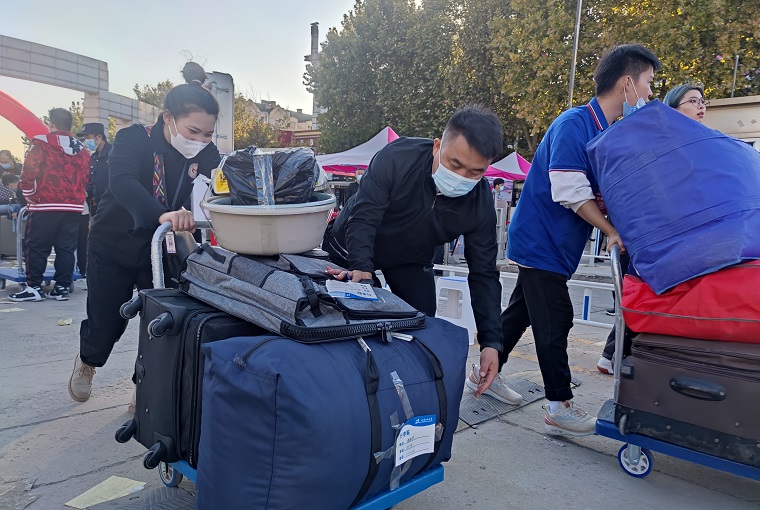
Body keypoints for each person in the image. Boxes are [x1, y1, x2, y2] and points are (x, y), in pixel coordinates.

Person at [487, 44, 661, 436]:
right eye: (648, 83)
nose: (650, 94)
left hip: (558, 245)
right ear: (627, 83)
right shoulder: (574, 124)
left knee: (521, 313)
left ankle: (485, 372)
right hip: (540, 241)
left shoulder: (607, 132)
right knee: (556, 318)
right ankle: (559, 405)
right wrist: (610, 231)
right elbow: (570, 191)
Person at [323, 105, 524, 406]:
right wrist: (361, 267)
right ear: (437, 146)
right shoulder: (398, 157)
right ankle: (344, 398)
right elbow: (364, 216)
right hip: (351, 248)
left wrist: (491, 342)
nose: (461, 177)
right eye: (455, 164)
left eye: (475, 172)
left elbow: (483, 273)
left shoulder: (479, 202)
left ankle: (405, 397)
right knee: (345, 324)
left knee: (421, 327)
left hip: (411, 258)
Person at [69, 62, 221, 407]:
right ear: (168, 118)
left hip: (163, 247)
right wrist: (160, 213)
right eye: (193, 131)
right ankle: (88, 360)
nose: (199, 141)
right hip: (113, 242)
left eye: (208, 134)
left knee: (163, 320)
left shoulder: (206, 153)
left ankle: (146, 385)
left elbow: (224, 186)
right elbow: (122, 181)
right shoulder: (133, 138)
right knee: (107, 320)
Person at [597, 81, 708, 372]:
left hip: (676, 240)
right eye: (693, 101)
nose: (700, 106)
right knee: (639, 297)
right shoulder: (654, 143)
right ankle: (618, 358)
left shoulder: (701, 146)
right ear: (673, 108)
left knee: (651, 300)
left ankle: (617, 356)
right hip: (644, 237)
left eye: (702, 101)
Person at [9, 108, 90, 302]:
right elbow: (86, 176)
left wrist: (29, 196)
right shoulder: (82, 149)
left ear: (52, 123)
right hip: (73, 206)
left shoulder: (41, 142)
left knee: (36, 246)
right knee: (66, 248)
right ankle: (61, 287)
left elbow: (29, 172)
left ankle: (34, 287)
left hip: (45, 204)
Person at [77, 122, 112, 216]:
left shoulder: (113, 154)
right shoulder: (93, 158)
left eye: (87, 137)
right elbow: (92, 182)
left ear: (98, 137)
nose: (85, 141)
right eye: (84, 138)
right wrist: (86, 193)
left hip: (112, 207)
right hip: (97, 207)